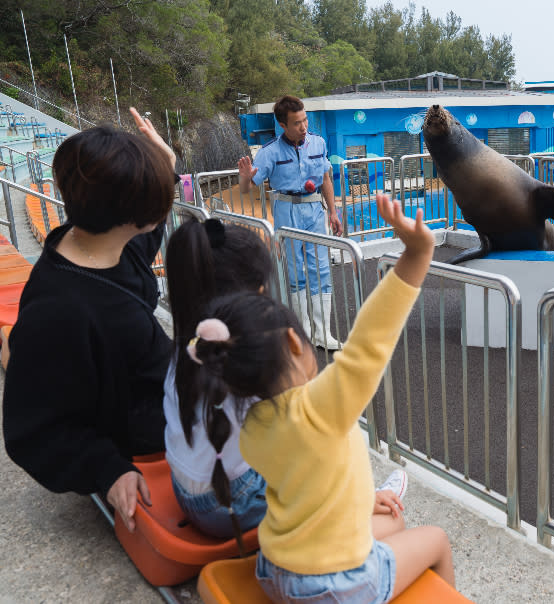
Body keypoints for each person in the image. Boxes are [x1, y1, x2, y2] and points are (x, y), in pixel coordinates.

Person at [189, 194, 454, 602]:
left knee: (394, 524)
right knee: (436, 539)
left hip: (277, 572)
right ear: (296, 342)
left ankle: (379, 502)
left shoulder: (252, 425)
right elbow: (370, 342)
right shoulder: (320, 409)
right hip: (336, 587)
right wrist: (417, 254)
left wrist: (366, 498)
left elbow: (313, 484)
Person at [163, 218, 409, 542]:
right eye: (260, 288)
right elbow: (306, 450)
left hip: (187, 494)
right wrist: (359, 499)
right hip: (238, 506)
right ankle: (358, 502)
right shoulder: (254, 361)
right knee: (327, 435)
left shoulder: (190, 349)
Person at [2, 108, 176, 531]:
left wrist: (164, 164)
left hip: (159, 396)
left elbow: (146, 230)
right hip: (143, 429)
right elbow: (32, 430)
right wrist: (107, 469)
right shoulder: (62, 309)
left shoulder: (103, 242)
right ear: (132, 214)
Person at [237, 94, 344, 350]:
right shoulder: (269, 151)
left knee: (321, 269)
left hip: (314, 209)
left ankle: (323, 333)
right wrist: (244, 177)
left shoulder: (318, 143)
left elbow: (326, 178)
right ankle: (303, 331)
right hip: (286, 209)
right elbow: (246, 188)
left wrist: (332, 211)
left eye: (305, 120)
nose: (303, 127)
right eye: (297, 123)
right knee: (296, 273)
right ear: (283, 125)